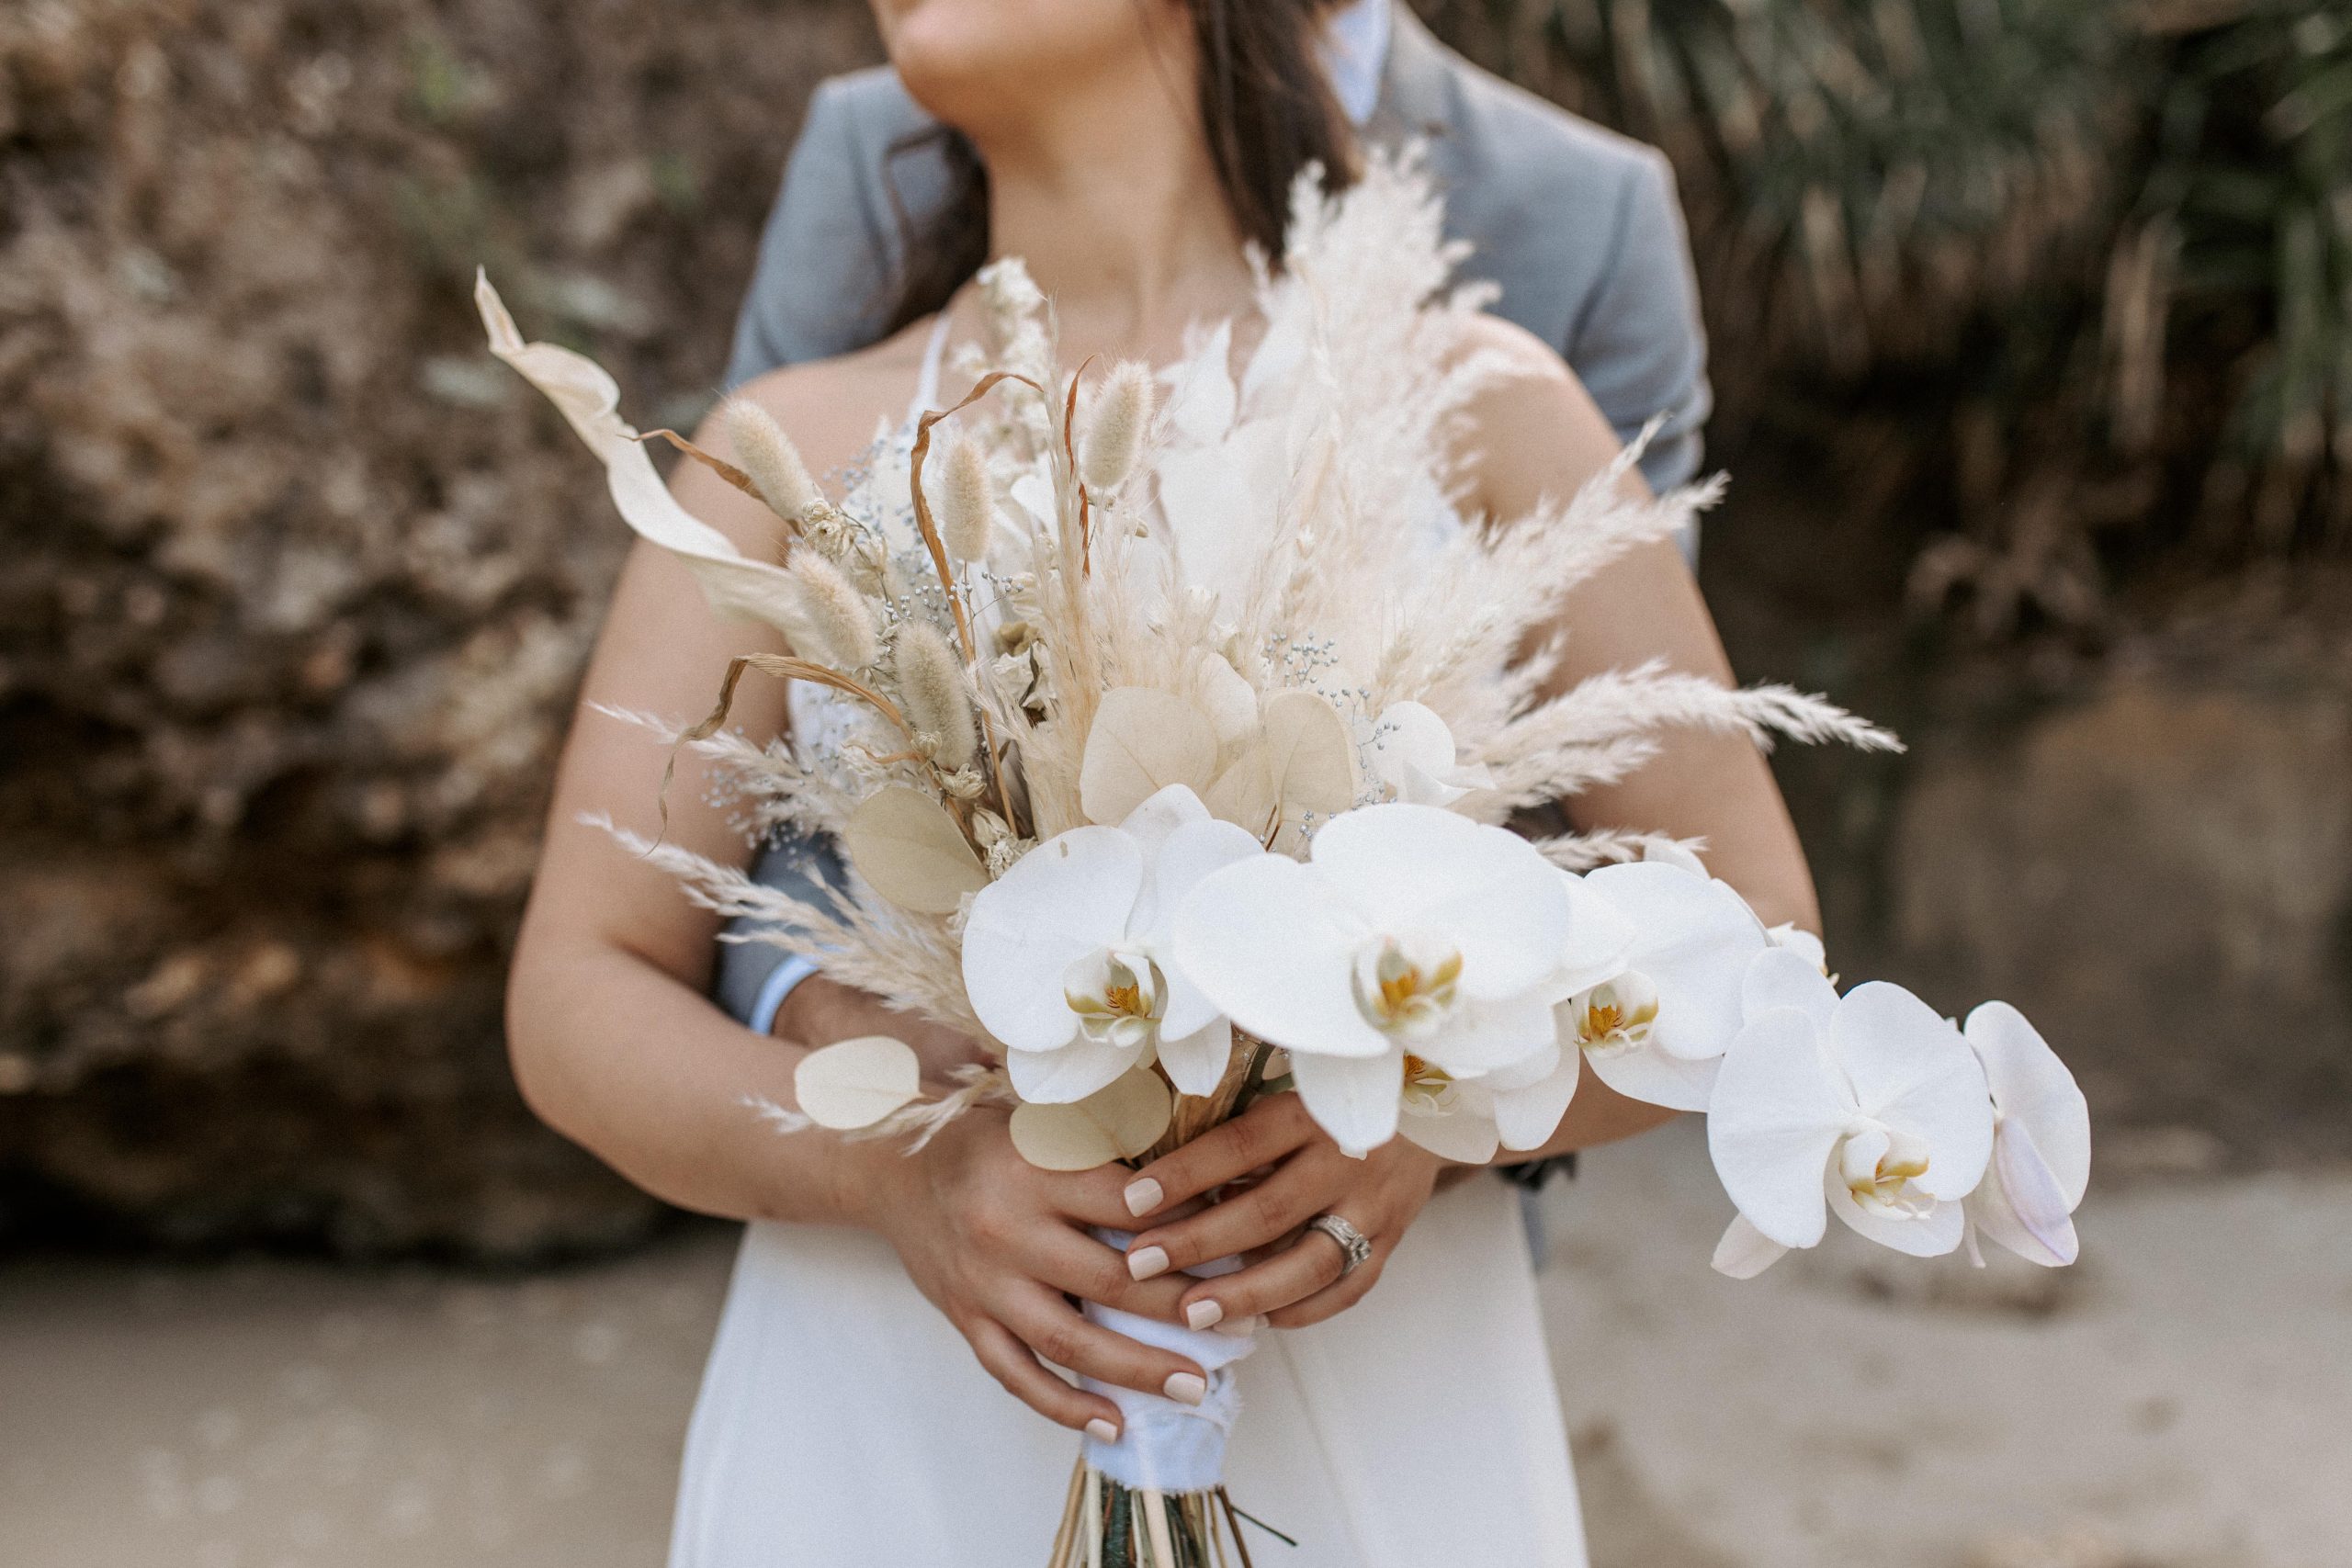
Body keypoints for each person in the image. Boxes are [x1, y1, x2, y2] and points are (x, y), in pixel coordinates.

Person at [502, 1, 1815, 1562]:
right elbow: (578, 988)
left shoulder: (1484, 407)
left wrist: (1436, 1115)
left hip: (1368, 1394)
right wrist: (897, 1167)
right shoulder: (791, 446)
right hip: (889, 1407)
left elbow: (1759, 919)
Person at [711, 0, 1714, 1054]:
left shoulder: (1512, 346)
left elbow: (1644, 831)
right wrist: (887, 1087)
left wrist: (1429, 1083)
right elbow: (714, 838)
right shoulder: (807, 401)